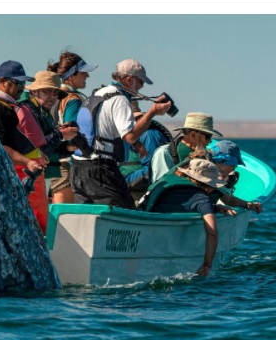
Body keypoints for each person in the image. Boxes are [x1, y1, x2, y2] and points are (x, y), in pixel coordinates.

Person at [71, 58, 171, 208]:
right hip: (100, 169)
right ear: (129, 80)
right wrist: (152, 112)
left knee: (88, 218)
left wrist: (136, 144)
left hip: (78, 169)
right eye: (140, 83)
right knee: (125, 216)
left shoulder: (99, 94)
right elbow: (129, 135)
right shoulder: (119, 99)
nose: (140, 88)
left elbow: (104, 127)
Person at [142, 158, 232, 276]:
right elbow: (212, 232)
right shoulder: (202, 199)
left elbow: (180, 203)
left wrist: (214, 207)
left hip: (144, 234)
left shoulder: (167, 181)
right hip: (161, 243)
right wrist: (207, 264)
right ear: (208, 184)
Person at [14, 71, 79, 234]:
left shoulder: (40, 112)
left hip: (34, 175)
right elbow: (35, 149)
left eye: (55, 92)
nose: (52, 96)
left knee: (40, 222)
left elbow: (44, 149)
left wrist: (68, 148)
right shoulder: (26, 111)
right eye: (47, 91)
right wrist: (60, 135)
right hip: (26, 174)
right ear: (34, 91)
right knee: (38, 223)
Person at [0, 60, 47, 209]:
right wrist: (27, 162)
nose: (22, 88)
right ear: (2, 82)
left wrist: (36, 154)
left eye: (23, 84)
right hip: (13, 176)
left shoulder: (2, 106)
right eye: (18, 83)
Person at [48, 51, 98, 203]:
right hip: (66, 164)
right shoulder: (73, 99)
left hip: (53, 160)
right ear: (71, 76)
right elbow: (72, 133)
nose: (87, 76)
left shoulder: (52, 96)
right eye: (83, 73)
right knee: (64, 216)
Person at [120, 105, 173, 206]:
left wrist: (123, 181)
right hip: (129, 190)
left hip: (139, 194)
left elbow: (152, 170)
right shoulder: (134, 136)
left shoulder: (149, 136)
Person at [149, 112, 223, 183]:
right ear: (193, 135)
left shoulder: (204, 156)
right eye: (208, 137)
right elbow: (161, 186)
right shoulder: (164, 153)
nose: (210, 141)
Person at [207, 140, 263, 213]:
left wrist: (247, 204)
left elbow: (228, 199)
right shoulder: (200, 177)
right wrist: (216, 208)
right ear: (222, 162)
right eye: (234, 165)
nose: (234, 168)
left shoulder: (212, 177)